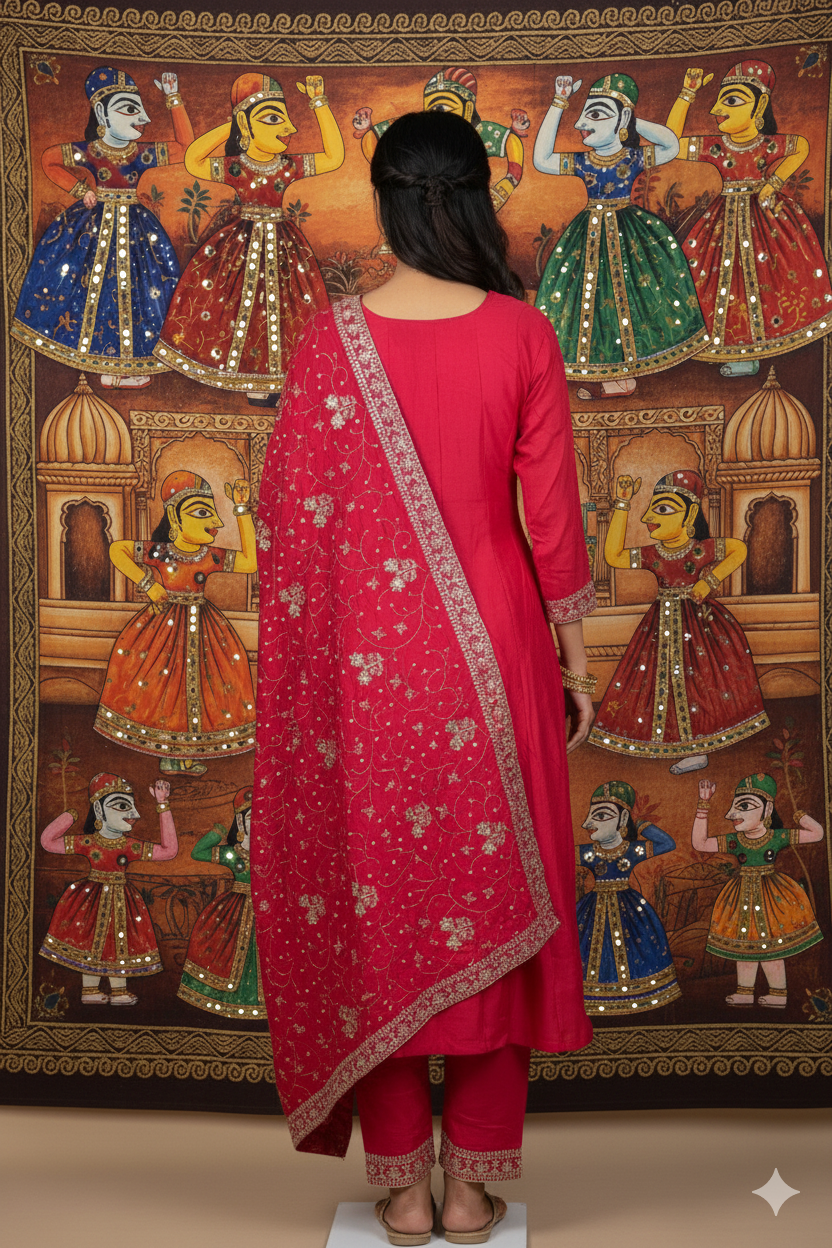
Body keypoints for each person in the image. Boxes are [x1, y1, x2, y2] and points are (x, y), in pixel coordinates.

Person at [252, 110, 596, 1245]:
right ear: (478, 193)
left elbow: (293, 532)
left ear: (387, 198)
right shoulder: (519, 334)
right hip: (495, 656)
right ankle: (471, 1188)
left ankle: (399, 1186)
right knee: (501, 896)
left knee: (380, 912)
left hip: (365, 671)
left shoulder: (330, 340)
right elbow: (549, 520)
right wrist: (576, 660)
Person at [154, 72, 343, 404]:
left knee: (285, 311)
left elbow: (334, 158)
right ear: (246, 124)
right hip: (238, 247)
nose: (290, 128)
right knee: (241, 308)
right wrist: (233, 125)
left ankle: (277, 380)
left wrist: (319, 102)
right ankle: (249, 378)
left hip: (285, 247)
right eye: (273, 118)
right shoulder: (236, 167)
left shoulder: (287, 166)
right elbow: (193, 160)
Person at [12, 66, 193, 388]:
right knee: (93, 291)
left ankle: (130, 364)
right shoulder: (90, 151)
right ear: (101, 113)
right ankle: (100, 362)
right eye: (130, 109)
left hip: (137, 228)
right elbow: (49, 160)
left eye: (141, 109)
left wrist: (173, 100)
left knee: (141, 293)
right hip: (92, 226)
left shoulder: (141, 153)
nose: (143, 119)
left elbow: (185, 149)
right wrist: (80, 190)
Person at [533, 72, 708, 400]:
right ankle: (604, 371)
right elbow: (541, 160)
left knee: (631, 299)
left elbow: (671, 145)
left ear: (622, 118)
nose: (581, 124)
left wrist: (633, 119)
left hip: (631, 233)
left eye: (595, 114)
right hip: (587, 234)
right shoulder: (584, 162)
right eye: (585, 114)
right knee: (594, 301)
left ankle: (623, 377)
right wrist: (559, 103)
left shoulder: (633, 157)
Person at [589, 469, 769, 773]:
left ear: (690, 515)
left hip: (701, 625)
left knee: (699, 684)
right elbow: (614, 557)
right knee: (664, 684)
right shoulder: (654, 554)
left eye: (661, 509)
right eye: (650, 509)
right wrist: (622, 504)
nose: (648, 517)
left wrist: (708, 581)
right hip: (660, 625)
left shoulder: (701, 549)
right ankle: (673, 743)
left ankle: (700, 748)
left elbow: (739, 549)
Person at [666, 61, 832, 377]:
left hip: (766, 217)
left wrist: (774, 182)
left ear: (761, 104)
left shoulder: (768, 144)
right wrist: (687, 93)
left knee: (770, 278)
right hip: (723, 219)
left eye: (730, 101)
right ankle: (731, 349)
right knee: (719, 284)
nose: (716, 109)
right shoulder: (716, 146)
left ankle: (763, 347)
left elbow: (802, 147)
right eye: (718, 101)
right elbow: (671, 144)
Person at [94, 471, 257, 775]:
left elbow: (251, 563)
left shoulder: (210, 556)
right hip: (162, 628)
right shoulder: (161, 551)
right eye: (202, 513)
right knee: (166, 685)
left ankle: (188, 752)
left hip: (205, 626)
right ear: (174, 516)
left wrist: (241, 510)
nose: (216, 524)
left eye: (213, 515)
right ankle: (170, 753)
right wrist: (148, 585)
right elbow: (117, 549)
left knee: (201, 685)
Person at [39, 773, 178, 1005]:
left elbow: (169, 850)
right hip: (88, 900)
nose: (135, 815)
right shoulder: (88, 842)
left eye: (132, 806)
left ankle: (119, 991)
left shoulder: (130, 845)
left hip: (123, 900)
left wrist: (163, 805)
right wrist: (68, 817)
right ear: (99, 810)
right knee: (90, 941)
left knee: (119, 942)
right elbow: (47, 842)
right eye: (123, 806)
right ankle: (90, 991)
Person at [692, 774, 823, 1007]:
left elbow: (817, 834)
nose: (731, 815)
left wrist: (801, 817)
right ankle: (744, 991)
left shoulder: (777, 837)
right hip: (740, 895)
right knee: (744, 946)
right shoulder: (735, 840)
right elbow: (700, 844)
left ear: (767, 809)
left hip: (773, 896)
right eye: (734, 807)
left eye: (744, 807)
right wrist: (703, 805)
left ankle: (778, 993)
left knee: (774, 948)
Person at [576, 781, 681, 1014]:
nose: (587, 823)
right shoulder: (588, 852)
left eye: (601, 815)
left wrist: (641, 823)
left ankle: (635, 994)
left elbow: (667, 843)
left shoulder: (631, 850)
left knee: (637, 946)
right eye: (590, 815)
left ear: (622, 820)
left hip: (630, 908)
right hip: (592, 908)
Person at [178, 788, 265, 1019]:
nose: (258, 823)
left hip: (267, 912)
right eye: (251, 817)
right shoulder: (233, 853)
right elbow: (198, 852)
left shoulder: (272, 852)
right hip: (232, 910)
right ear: (241, 822)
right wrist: (216, 833)